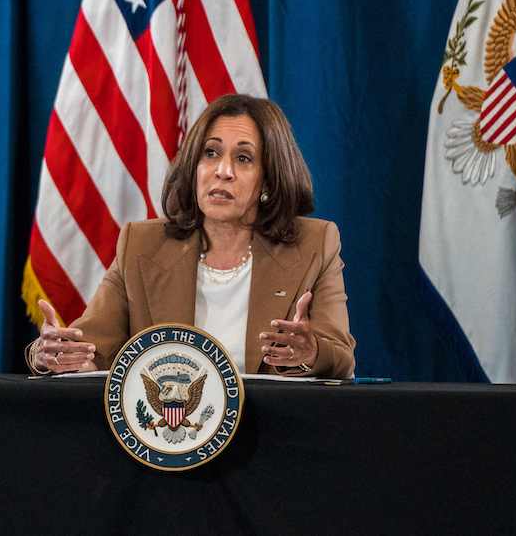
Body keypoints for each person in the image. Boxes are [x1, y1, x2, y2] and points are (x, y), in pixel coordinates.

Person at [27, 94, 355, 378]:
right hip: (168, 438)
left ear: (269, 180)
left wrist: (309, 352)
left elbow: (341, 360)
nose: (222, 171)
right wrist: (52, 353)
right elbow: (91, 350)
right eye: (210, 153)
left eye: (243, 159)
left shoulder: (315, 243)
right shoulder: (141, 245)